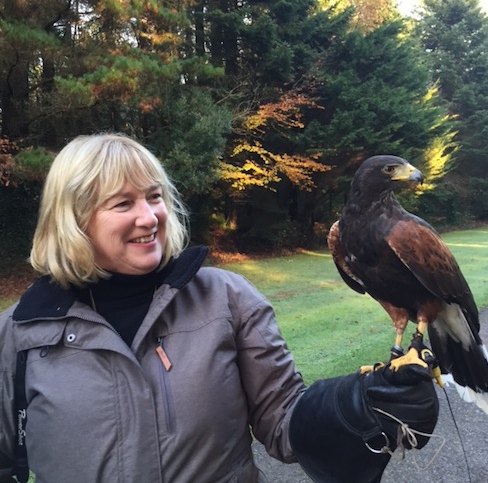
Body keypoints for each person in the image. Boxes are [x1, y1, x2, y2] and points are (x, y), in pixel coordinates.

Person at [0, 134, 439, 483]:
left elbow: (285, 422)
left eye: (154, 196)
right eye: (123, 203)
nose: (150, 217)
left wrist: (357, 406)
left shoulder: (226, 298)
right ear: (73, 220)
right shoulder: (19, 335)